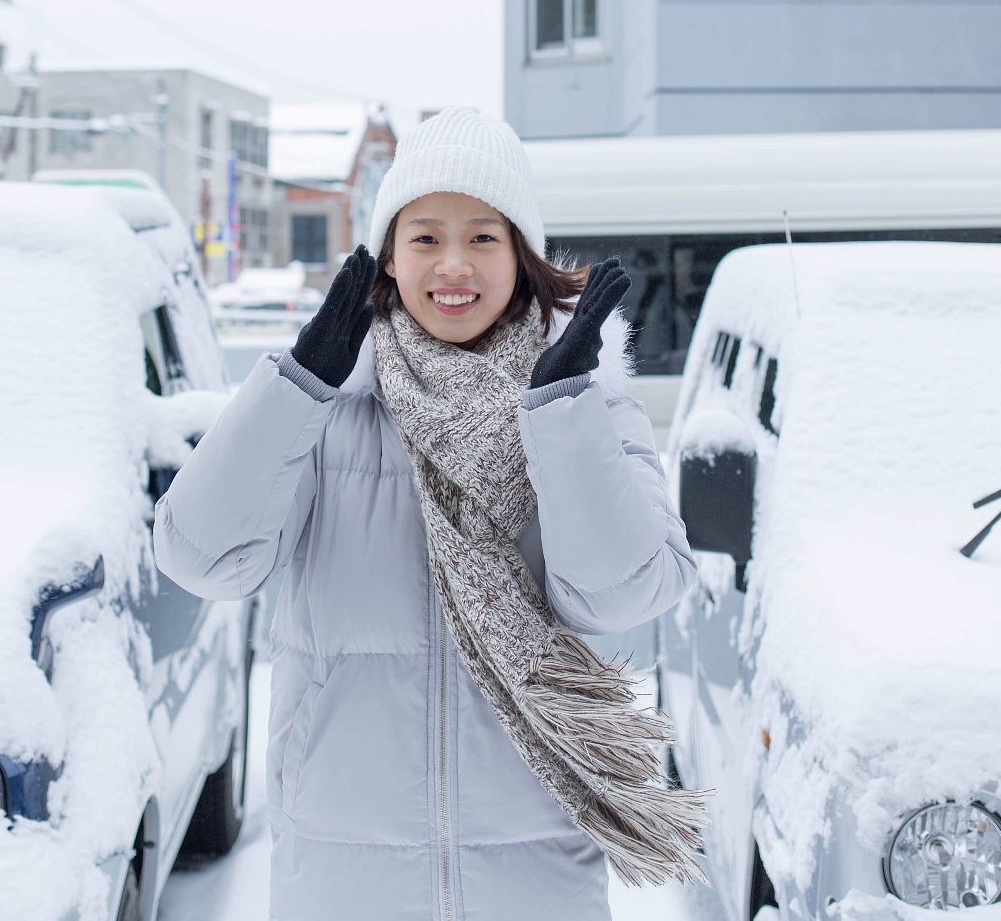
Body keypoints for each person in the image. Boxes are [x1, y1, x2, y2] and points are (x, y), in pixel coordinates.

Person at [155, 107, 703, 921]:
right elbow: (201, 556)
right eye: (425, 237)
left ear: (522, 254)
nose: (454, 265)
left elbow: (622, 594)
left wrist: (562, 412)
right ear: (387, 255)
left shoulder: (584, 402)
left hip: (535, 871)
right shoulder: (329, 400)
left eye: (483, 237)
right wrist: (297, 384)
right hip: (346, 875)